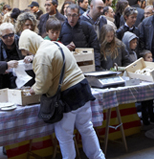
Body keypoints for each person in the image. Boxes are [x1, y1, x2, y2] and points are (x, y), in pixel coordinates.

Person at [19, 30, 105, 159]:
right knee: (87, 128)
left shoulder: (41, 55)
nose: (29, 54)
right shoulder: (56, 44)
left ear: (31, 45)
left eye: (27, 51)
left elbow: (43, 85)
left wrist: (33, 90)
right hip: (83, 88)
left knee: (65, 136)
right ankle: (98, 157)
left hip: (67, 96)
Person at [59, 4, 103, 70]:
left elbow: (95, 48)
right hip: (67, 65)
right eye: (69, 15)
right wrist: (65, 48)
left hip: (84, 64)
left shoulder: (86, 27)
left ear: (79, 15)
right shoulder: (61, 27)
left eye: (74, 15)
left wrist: (96, 66)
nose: (71, 19)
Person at [0, 22, 31, 89]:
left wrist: (29, 57)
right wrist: (3, 68)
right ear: (0, 36)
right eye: (5, 36)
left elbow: (35, 55)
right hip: (4, 82)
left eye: (11, 35)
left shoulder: (22, 42)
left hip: (25, 79)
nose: (9, 38)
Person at [139, 50, 154, 125]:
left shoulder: (152, 66)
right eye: (148, 57)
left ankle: (152, 116)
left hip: (151, 87)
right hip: (144, 88)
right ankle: (145, 118)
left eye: (151, 57)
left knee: (151, 102)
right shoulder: (142, 68)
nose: (151, 59)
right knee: (144, 103)